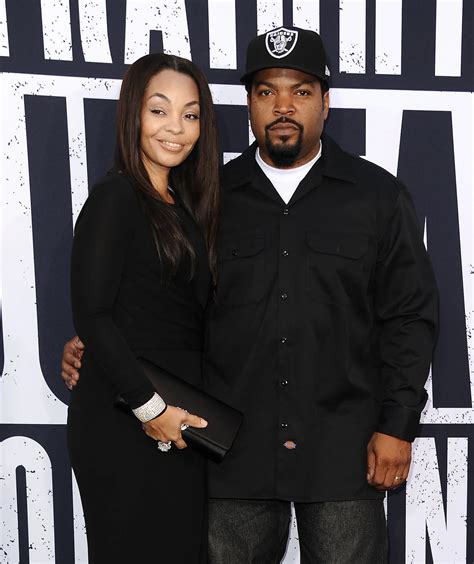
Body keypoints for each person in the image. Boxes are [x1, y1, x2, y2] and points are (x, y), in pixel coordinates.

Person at [63, 28, 438, 563]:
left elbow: (410, 317)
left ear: (326, 103)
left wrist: (397, 425)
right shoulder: (204, 197)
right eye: (266, 91)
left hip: (343, 451)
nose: (283, 106)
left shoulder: (378, 196)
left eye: (301, 91)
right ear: (248, 105)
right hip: (231, 454)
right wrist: (95, 344)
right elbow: (161, 294)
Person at [66, 52, 220, 563]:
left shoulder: (184, 205)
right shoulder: (116, 197)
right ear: (132, 113)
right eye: (159, 110)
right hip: (128, 421)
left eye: (190, 114)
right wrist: (150, 410)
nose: (175, 127)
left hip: (179, 419)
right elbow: (93, 314)